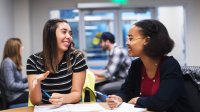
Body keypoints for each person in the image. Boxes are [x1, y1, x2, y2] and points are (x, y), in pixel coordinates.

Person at [106, 19, 192, 112]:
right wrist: (119, 98)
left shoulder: (170, 65)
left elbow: (161, 102)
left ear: (147, 40)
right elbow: (126, 90)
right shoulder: (137, 65)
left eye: (131, 38)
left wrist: (137, 100)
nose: (127, 43)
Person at [26, 18, 88, 105]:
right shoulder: (33, 60)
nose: (69, 37)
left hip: (69, 107)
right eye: (64, 32)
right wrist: (36, 83)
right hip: (46, 109)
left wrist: (64, 98)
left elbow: (77, 94)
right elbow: (35, 101)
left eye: (70, 33)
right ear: (50, 35)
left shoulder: (77, 57)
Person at [0, 38, 28, 106]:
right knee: (37, 96)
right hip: (13, 97)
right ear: (15, 49)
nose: (23, 48)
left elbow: (18, 80)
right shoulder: (7, 62)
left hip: (18, 94)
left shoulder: (11, 62)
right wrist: (28, 85)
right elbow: (11, 85)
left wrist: (28, 78)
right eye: (21, 46)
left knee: (37, 95)